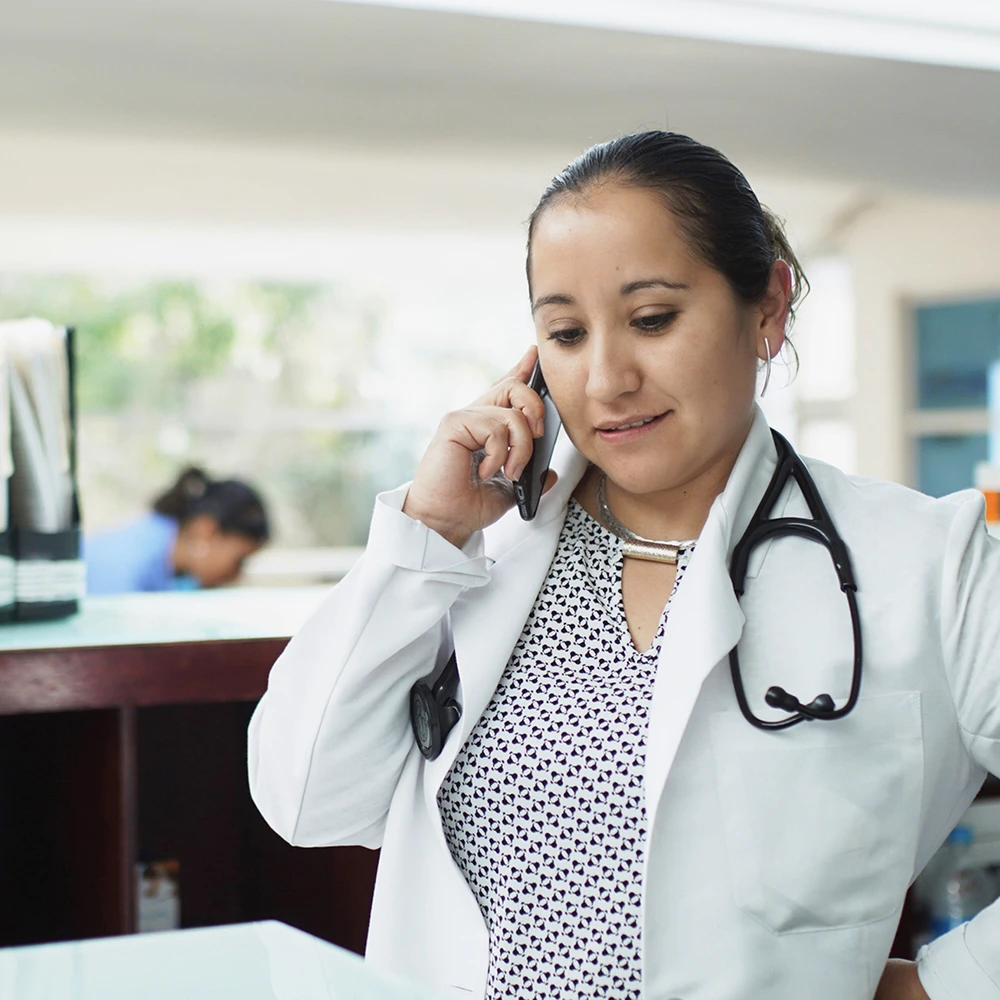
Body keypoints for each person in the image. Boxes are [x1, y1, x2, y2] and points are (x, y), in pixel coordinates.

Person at [247, 131, 1000, 1000]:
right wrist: (430, 535)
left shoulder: (926, 564)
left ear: (767, 307)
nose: (606, 377)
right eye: (565, 332)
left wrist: (950, 988)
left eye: (652, 319)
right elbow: (306, 800)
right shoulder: (477, 552)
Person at [84, 467, 269, 594]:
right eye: (239, 561)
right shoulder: (124, 567)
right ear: (207, 530)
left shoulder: (173, 572)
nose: (237, 576)